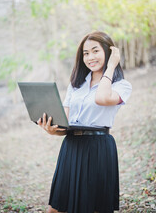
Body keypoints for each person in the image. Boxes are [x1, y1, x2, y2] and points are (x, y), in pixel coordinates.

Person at [37, 31, 132, 213]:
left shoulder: (122, 85)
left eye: (95, 51)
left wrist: (111, 66)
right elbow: (65, 125)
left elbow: (102, 98)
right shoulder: (76, 84)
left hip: (98, 149)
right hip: (71, 147)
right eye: (86, 53)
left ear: (109, 52)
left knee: (93, 208)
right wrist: (52, 129)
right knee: (55, 208)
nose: (90, 57)